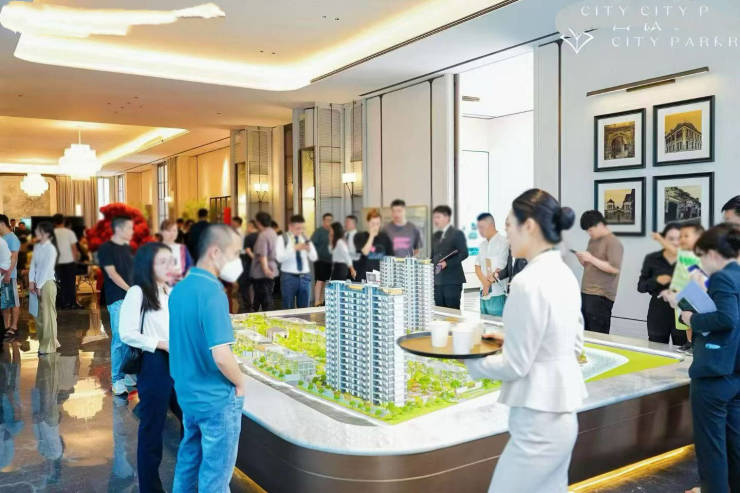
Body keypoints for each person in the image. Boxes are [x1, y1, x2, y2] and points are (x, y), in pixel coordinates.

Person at [465, 188, 586, 492]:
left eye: (509, 225)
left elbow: (515, 365)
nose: (507, 233)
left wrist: (471, 358)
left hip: (536, 424)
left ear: (529, 226)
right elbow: (572, 344)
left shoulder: (527, 282)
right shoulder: (564, 274)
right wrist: (509, 337)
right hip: (563, 417)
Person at [169, 224, 246, 492]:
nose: (236, 261)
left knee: (188, 462)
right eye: (234, 253)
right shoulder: (213, 293)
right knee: (215, 476)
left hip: (188, 394)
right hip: (215, 399)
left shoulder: (180, 288)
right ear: (215, 252)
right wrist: (240, 383)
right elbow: (222, 356)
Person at [678, 224, 739, 493]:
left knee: (711, 449)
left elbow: (726, 318)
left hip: (714, 373)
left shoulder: (723, 277)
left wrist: (692, 318)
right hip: (734, 372)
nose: (701, 263)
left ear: (713, 253)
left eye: (702, 256)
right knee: (734, 445)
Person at [119, 242, 182, 493]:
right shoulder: (138, 292)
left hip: (179, 361)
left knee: (190, 420)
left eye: (170, 261)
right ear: (148, 264)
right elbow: (126, 332)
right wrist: (160, 343)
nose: (169, 266)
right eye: (162, 262)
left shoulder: (170, 289)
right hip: (155, 362)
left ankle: (188, 480)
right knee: (152, 430)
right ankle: (150, 488)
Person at [98, 215, 136, 395]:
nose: (132, 231)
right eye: (129, 228)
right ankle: (117, 379)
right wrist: (130, 289)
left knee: (130, 337)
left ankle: (127, 373)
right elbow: (112, 274)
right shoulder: (106, 249)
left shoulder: (127, 248)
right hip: (117, 298)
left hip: (131, 298)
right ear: (119, 229)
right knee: (119, 339)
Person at [658, 222, 705, 354]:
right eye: (681, 236)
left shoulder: (702, 255)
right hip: (679, 293)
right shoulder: (682, 254)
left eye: (686, 236)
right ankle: (689, 342)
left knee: (693, 319)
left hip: (694, 293)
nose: (682, 239)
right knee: (684, 321)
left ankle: (696, 344)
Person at [637, 223, 687, 346]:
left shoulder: (688, 259)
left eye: (678, 238)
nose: (675, 242)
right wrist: (656, 280)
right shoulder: (652, 259)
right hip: (658, 311)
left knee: (683, 350)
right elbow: (641, 287)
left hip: (682, 310)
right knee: (656, 350)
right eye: (671, 239)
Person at [576, 210, 624, 334]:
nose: (589, 233)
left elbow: (614, 269)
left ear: (600, 225)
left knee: (598, 336)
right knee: (585, 334)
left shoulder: (613, 242)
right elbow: (591, 265)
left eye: (590, 230)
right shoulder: (592, 240)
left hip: (601, 296)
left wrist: (591, 258)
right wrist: (583, 259)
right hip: (586, 293)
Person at [29, 221, 59, 355]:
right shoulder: (37, 247)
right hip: (37, 284)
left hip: (46, 283)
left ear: (46, 233)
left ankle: (49, 346)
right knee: (39, 317)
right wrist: (31, 281)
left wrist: (39, 285)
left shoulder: (50, 249)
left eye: (39, 230)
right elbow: (33, 265)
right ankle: (43, 343)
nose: (36, 232)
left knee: (48, 316)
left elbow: (46, 269)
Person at [430, 205, 469, 309]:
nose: (435, 220)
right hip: (437, 281)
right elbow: (432, 256)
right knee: (440, 311)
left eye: (438, 217)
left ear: (447, 218)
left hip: (452, 281)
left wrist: (447, 263)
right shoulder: (435, 236)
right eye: (434, 217)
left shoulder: (457, 234)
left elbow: (464, 253)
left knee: (452, 312)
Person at [275, 215, 317, 309]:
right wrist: (294, 248)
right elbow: (279, 258)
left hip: (305, 277)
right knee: (288, 308)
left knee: (304, 309)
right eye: (297, 228)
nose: (300, 231)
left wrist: (309, 250)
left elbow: (314, 257)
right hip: (289, 277)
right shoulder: (282, 239)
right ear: (290, 227)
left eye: (302, 228)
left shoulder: (305, 238)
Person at [475, 213, 509, 316]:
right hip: (483, 293)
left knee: (498, 324)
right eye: (478, 228)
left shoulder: (504, 242)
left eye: (482, 227)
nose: (480, 231)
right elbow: (477, 267)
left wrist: (488, 284)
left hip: (497, 293)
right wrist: (485, 284)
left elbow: (501, 268)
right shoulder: (482, 245)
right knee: (484, 323)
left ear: (491, 225)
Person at [353, 209, 393, 282]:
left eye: (377, 223)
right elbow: (365, 252)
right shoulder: (360, 236)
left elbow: (391, 257)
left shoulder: (385, 238)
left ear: (380, 224)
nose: (375, 226)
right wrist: (371, 236)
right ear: (368, 223)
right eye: (373, 223)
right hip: (364, 277)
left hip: (381, 278)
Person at [249, 212, 278, 312]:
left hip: (262, 272)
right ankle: (254, 312)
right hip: (272, 268)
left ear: (258, 222)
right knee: (261, 296)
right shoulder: (272, 232)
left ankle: (268, 316)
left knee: (266, 298)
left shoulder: (263, 235)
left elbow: (263, 255)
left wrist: (265, 270)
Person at [52, 214, 81, 310]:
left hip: (57, 263)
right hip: (69, 262)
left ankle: (63, 304)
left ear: (54, 222)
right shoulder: (69, 232)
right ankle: (72, 303)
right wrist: (76, 260)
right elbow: (74, 248)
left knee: (61, 283)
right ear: (63, 221)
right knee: (71, 283)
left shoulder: (51, 233)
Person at [0, 215, 20, 338]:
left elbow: (14, 257)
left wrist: (8, 273)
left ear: (2, 224)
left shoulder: (12, 238)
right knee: (5, 302)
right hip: (2, 275)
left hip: (10, 275)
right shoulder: (2, 238)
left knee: (13, 302)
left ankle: (14, 326)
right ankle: (6, 326)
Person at [311, 213, 333, 306]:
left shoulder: (331, 231)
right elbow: (312, 244)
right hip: (320, 261)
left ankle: (322, 300)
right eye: (327, 220)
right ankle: (316, 301)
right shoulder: (319, 231)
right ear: (323, 221)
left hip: (330, 261)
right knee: (320, 281)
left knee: (325, 281)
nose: (329, 222)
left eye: (330, 220)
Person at [238, 220, 258, 312]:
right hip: (260, 266)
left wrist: (255, 259)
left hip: (250, 264)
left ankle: (248, 305)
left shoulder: (248, 237)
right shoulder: (261, 236)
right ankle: (255, 305)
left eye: (247, 226)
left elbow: (247, 251)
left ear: (251, 226)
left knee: (243, 284)